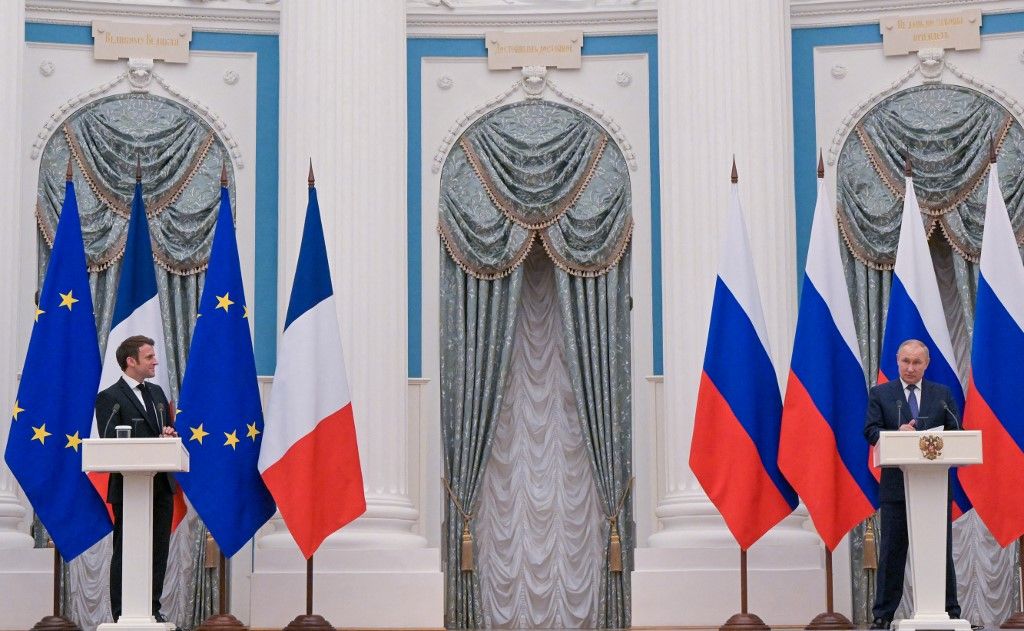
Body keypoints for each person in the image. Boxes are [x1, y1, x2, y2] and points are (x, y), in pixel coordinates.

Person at [863, 339, 961, 629]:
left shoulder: (942, 394)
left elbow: (957, 432)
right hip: (896, 487)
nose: (910, 367)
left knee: (939, 550)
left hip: (933, 488)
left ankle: (950, 611)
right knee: (893, 550)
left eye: (917, 362)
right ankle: (883, 616)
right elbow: (870, 431)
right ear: (897, 361)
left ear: (926, 364)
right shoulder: (881, 394)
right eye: (905, 361)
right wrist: (897, 433)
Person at [95, 335, 178, 624]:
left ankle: (151, 610)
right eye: (149, 357)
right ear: (131, 361)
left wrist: (168, 436)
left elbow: (164, 430)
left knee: (158, 552)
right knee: (126, 550)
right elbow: (108, 441)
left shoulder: (156, 394)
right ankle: (122, 613)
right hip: (130, 488)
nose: (155, 361)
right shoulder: (110, 397)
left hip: (161, 485)